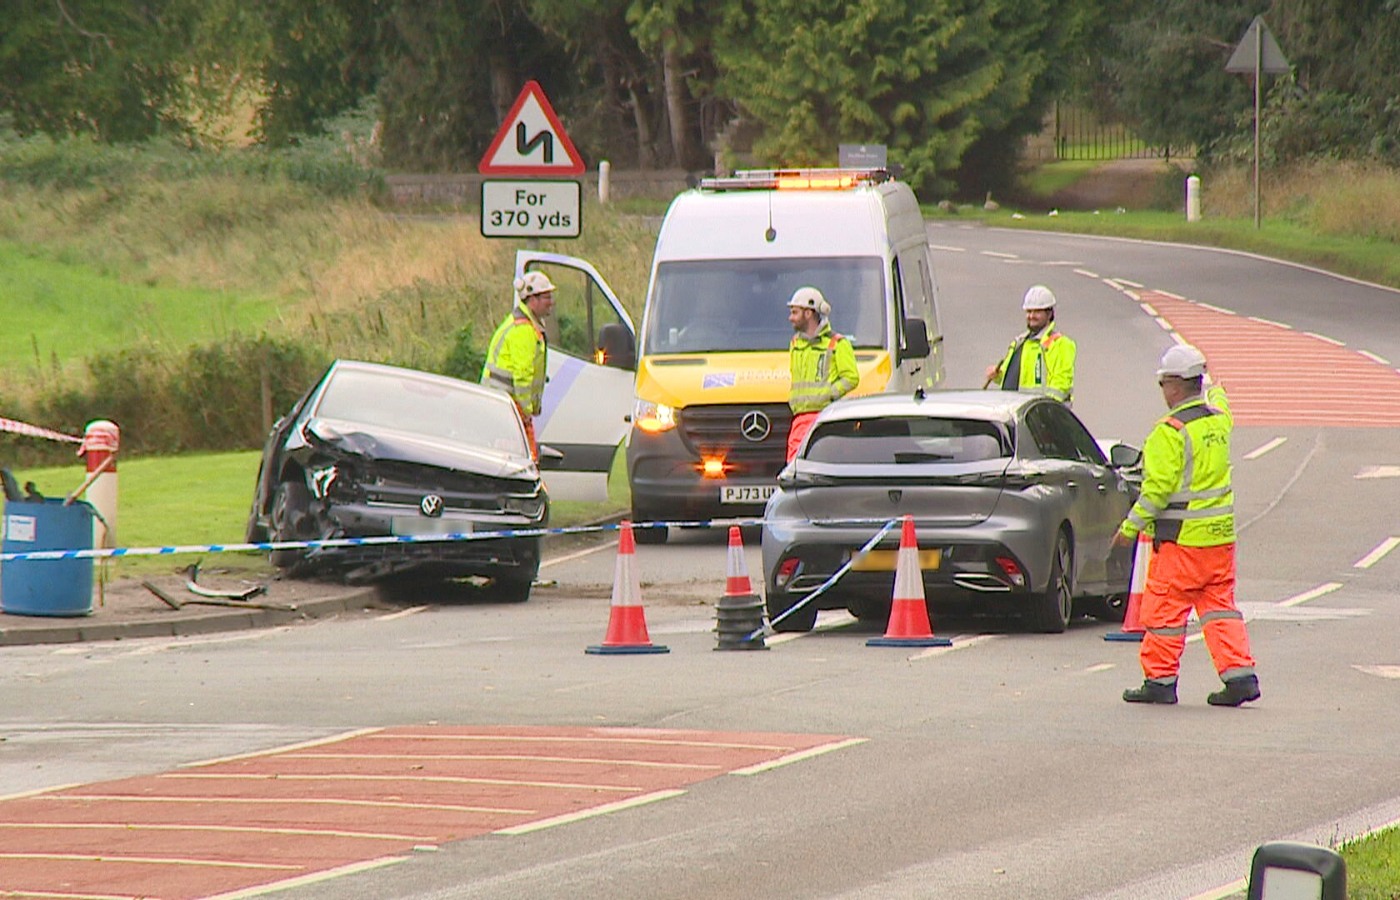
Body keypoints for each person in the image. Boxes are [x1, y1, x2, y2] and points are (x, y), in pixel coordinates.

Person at [1114, 344, 1259, 707]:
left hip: (1181, 543)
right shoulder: (1218, 421)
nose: (1162, 390)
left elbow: (1156, 492)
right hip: (1220, 540)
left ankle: (1160, 681)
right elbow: (1221, 399)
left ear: (1176, 386)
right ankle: (1240, 676)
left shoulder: (1169, 432)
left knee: (1164, 611)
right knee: (1219, 608)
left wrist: (1129, 528)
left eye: (1164, 383)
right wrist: (1214, 383)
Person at [482, 271, 555, 460]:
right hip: (506, 406)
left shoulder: (527, 324)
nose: (551, 301)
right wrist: (525, 412)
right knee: (518, 458)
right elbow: (522, 376)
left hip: (504, 405)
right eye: (547, 296)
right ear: (532, 299)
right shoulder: (523, 329)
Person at [786, 286, 859, 461]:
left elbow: (851, 377)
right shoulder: (795, 344)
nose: (790, 318)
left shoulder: (837, 344)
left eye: (795, 312)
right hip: (800, 419)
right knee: (794, 468)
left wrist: (829, 394)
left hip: (825, 418)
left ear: (809, 313)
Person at [984, 285, 1076, 404]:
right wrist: (997, 375)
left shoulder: (1060, 344)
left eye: (1037, 311)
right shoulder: (1020, 342)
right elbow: (1011, 379)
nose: (1031, 316)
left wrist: (1045, 409)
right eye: (1029, 311)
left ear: (1049, 314)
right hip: (1016, 411)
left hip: (1044, 416)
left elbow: (1061, 385)